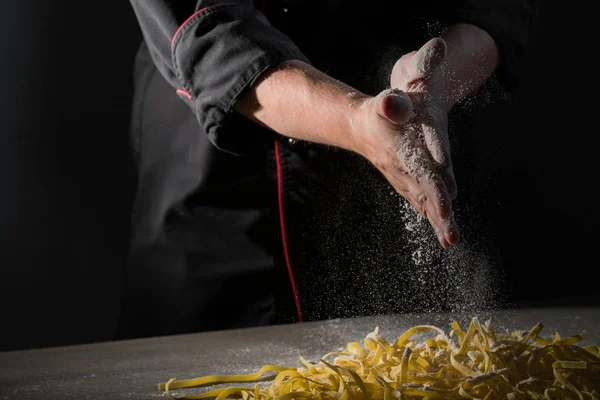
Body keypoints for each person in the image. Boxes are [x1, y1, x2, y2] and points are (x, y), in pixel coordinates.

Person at [116, 0, 540, 340]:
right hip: (221, 210)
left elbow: (496, 8)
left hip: (394, 172)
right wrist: (356, 120)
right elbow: (210, 42)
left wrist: (435, 85)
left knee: (411, 366)